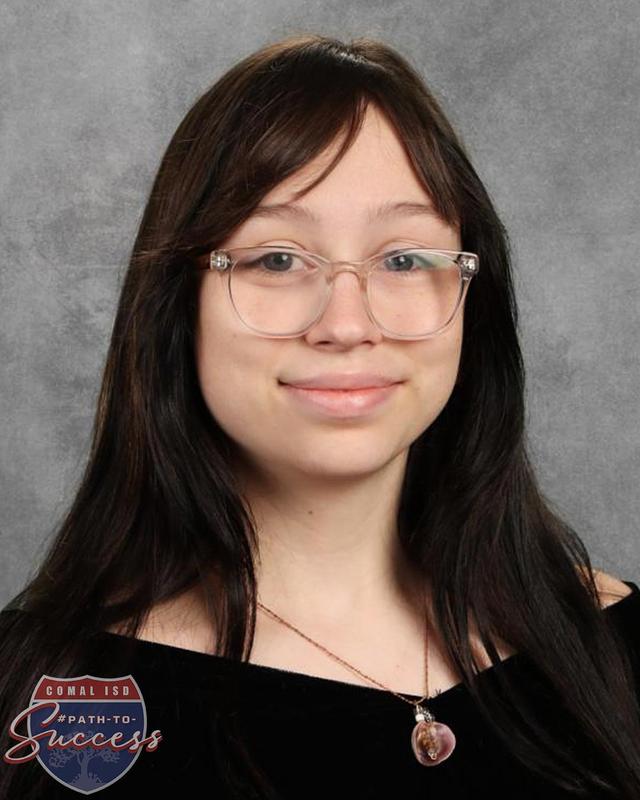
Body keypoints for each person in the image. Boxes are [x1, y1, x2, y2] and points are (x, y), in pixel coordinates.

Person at [0, 33, 639, 799]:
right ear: (178, 306)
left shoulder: (614, 644)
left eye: (403, 259)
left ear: (474, 299)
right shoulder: (50, 698)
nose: (346, 322)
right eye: (277, 259)